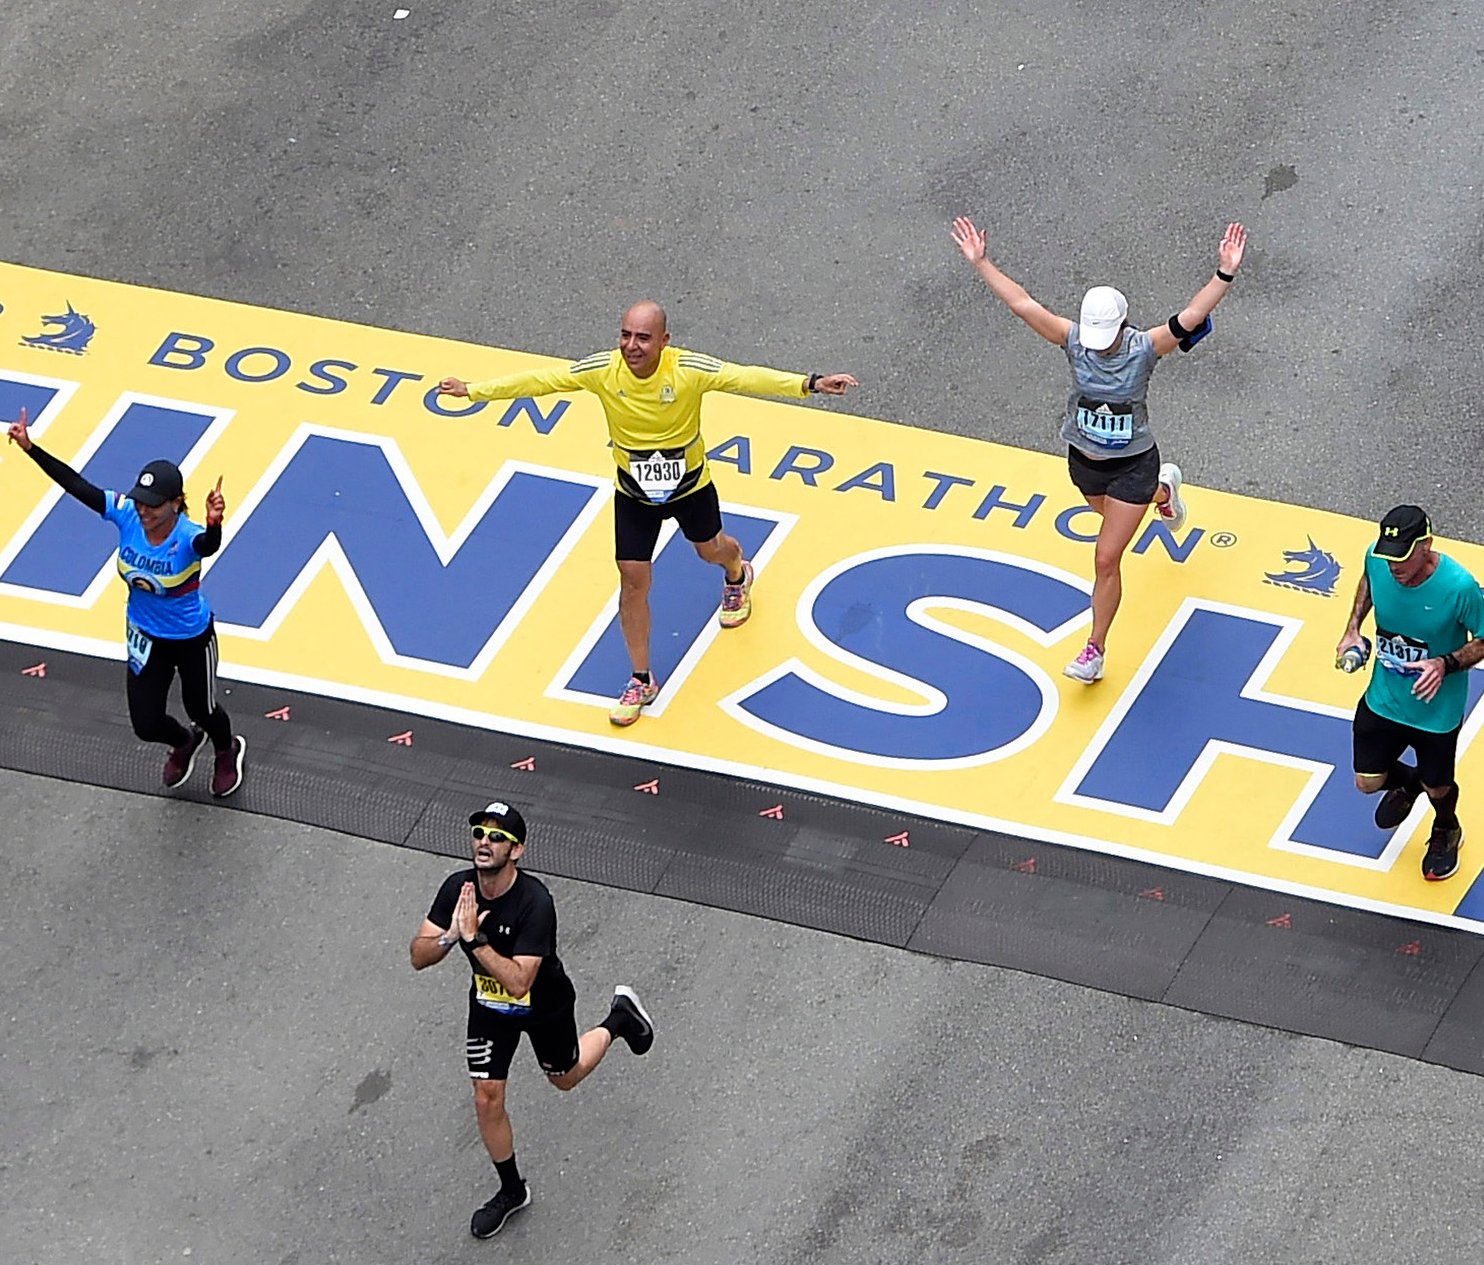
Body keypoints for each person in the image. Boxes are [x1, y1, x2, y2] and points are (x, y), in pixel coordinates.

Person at [438, 302, 857, 726]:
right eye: (625, 335)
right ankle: (641, 678)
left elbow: (744, 376)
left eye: (642, 338)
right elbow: (543, 381)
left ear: (664, 341)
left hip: (690, 487)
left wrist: (812, 383)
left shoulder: (687, 369)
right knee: (632, 578)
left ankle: (736, 573)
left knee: (711, 550)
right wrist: (473, 390)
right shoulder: (603, 370)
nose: (631, 346)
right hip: (633, 493)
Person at [950, 217, 1247, 683]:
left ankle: (1095, 650)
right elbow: (1022, 304)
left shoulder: (1145, 348)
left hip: (1132, 464)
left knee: (1106, 558)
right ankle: (1163, 494)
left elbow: (1191, 317)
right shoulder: (1073, 342)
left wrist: (1224, 273)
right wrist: (982, 263)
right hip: (1084, 462)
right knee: (1110, 522)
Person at [409, 801, 656, 1239]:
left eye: (497, 837)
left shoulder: (535, 902)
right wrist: (450, 936)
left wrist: (476, 941)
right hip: (489, 1008)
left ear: (517, 850)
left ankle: (619, 1019)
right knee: (487, 1097)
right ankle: (511, 1190)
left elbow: (521, 981)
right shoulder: (457, 890)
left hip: (544, 1005)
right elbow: (418, 955)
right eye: (479, 833)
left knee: (565, 1077)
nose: (485, 842)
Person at [6, 411, 245, 796]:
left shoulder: (187, 536)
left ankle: (226, 748)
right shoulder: (126, 514)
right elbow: (76, 484)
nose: (143, 511)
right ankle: (185, 742)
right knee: (146, 724)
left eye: (153, 505)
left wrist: (215, 522)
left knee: (202, 708)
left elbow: (209, 546)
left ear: (176, 503)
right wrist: (31, 448)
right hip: (144, 634)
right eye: (140, 502)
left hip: (190, 638)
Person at [1336, 506, 1484, 881]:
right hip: (1385, 697)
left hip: (1435, 708)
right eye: (1389, 554)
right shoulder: (1379, 563)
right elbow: (1368, 582)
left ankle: (1446, 828)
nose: (1394, 565)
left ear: (1426, 544)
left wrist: (1445, 664)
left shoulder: (1458, 587)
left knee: (1438, 785)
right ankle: (1409, 784)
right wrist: (1352, 628)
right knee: (1366, 782)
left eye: (1404, 555)